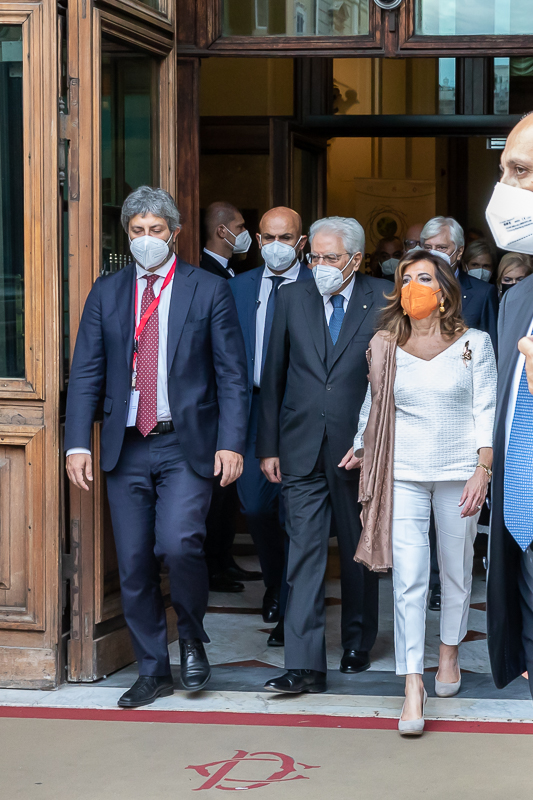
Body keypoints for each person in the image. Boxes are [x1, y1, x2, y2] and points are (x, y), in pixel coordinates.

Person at [64, 187, 248, 708]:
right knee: (135, 561)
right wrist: (78, 442)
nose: (147, 240)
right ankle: (152, 668)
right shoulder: (107, 291)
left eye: (156, 230)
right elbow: (86, 374)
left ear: (176, 232)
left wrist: (232, 442)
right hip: (126, 445)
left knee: (180, 543)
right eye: (137, 231)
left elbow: (233, 375)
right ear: (128, 235)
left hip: (185, 444)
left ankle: (189, 635)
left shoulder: (206, 290)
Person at [351, 250, 496, 734]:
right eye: (407, 277)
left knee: (455, 571)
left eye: (425, 277)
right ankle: (413, 682)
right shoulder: (385, 344)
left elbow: (486, 409)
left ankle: (448, 652)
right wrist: (360, 447)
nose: (415, 284)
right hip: (403, 473)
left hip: (460, 472)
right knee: (410, 577)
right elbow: (373, 407)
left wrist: (483, 468)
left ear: (445, 289)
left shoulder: (474, 343)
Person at [257, 216, 387, 694]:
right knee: (304, 554)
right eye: (316, 257)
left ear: (355, 258)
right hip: (300, 447)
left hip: (357, 450)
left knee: (359, 550)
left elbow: (392, 384)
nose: (321, 266)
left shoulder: (383, 298)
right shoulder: (291, 297)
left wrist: (372, 440)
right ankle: (304, 664)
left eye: (332, 258)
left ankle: (357, 640)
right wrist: (267, 446)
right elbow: (272, 377)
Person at [230, 207, 311, 640]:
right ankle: (275, 581)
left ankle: (290, 605)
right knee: (258, 507)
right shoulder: (236, 289)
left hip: (300, 412)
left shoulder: (318, 286)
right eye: (268, 237)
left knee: (297, 514)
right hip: (250, 411)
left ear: (301, 242)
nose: (276, 246)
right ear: (258, 241)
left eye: (287, 237)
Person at [421, 216, 499, 610]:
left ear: (457, 251)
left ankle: (451, 584)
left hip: (463, 418)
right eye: (425, 244)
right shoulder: (408, 290)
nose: (432, 253)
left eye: (439, 246)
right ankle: (429, 581)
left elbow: (492, 358)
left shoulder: (481, 294)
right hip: (419, 418)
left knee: (456, 511)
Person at [486, 112, 533, 699]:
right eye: (504, 172)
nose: (504, 192)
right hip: (522, 527)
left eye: (520, 172)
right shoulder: (518, 297)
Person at [199, 202, 260, 593]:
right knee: (214, 493)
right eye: (239, 226)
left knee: (225, 493)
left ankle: (222, 559)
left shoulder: (231, 271)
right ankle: (212, 565)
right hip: (211, 399)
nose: (243, 233)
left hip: (230, 396)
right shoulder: (206, 275)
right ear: (223, 232)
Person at [200, 201, 250, 279]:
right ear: (222, 231)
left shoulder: (232, 266)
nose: (245, 231)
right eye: (240, 227)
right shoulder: (204, 271)